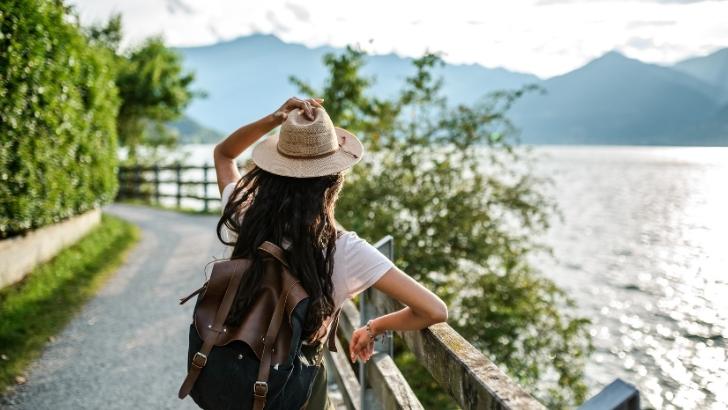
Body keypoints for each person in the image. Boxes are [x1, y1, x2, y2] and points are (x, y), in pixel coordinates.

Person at [213, 96, 448, 409]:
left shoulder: (244, 215)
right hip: (298, 391)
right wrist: (374, 327)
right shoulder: (346, 250)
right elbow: (433, 310)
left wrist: (276, 118)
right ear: (334, 181)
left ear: (271, 171)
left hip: (236, 373)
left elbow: (224, 153)